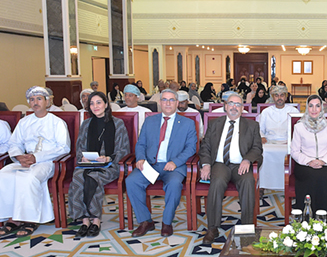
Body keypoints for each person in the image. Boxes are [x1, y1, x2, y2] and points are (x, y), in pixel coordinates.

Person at [125, 89, 198, 237]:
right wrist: (140, 158)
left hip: (173, 167)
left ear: (177, 103)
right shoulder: (150, 121)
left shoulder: (188, 123)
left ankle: (167, 222)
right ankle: (145, 221)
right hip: (151, 165)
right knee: (131, 181)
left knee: (174, 184)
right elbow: (141, 144)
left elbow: (191, 148)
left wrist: (175, 162)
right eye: (164, 99)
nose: (168, 103)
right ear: (160, 102)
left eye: (171, 100)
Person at [0, 86, 70, 237]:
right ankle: (12, 219)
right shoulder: (24, 122)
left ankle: (30, 220)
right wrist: (19, 156)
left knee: (28, 178)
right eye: (32, 100)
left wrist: (36, 158)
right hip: (25, 160)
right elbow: (14, 143)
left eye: (39, 99)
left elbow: (63, 148)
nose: (35, 102)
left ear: (47, 102)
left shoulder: (57, 122)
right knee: (3, 174)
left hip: (48, 162)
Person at [199, 92, 263, 244]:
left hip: (240, 165)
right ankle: (212, 228)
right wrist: (206, 165)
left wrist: (247, 160)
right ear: (225, 106)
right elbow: (205, 147)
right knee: (217, 182)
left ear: (242, 108)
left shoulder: (252, 126)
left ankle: (247, 227)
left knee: (248, 181)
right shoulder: (214, 124)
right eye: (231, 104)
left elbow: (257, 148)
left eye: (238, 104)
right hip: (220, 164)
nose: (234, 107)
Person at [68, 91, 130, 237]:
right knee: (78, 177)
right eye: (92, 103)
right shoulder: (86, 124)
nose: (95, 106)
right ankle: (84, 221)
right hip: (89, 164)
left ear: (106, 104)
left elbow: (124, 149)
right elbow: (80, 146)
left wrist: (108, 158)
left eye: (98, 102)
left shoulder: (118, 124)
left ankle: (95, 220)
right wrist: (83, 158)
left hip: (111, 165)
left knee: (93, 178)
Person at [290, 95, 327, 221]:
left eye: (317, 106)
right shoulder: (299, 127)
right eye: (311, 106)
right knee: (312, 176)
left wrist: (323, 161)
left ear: (321, 108)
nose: (314, 109)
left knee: (326, 178)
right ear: (307, 108)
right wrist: (309, 161)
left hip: (326, 163)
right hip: (305, 164)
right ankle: (308, 220)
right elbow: (295, 151)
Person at [257, 85, 300, 191]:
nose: (279, 98)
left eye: (282, 95)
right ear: (273, 97)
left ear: (286, 97)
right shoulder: (266, 112)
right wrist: (262, 137)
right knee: (263, 152)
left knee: (295, 152)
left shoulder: (294, 111)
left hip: (288, 142)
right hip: (269, 142)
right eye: (276, 95)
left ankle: (291, 184)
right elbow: (260, 129)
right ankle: (263, 185)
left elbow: (299, 129)